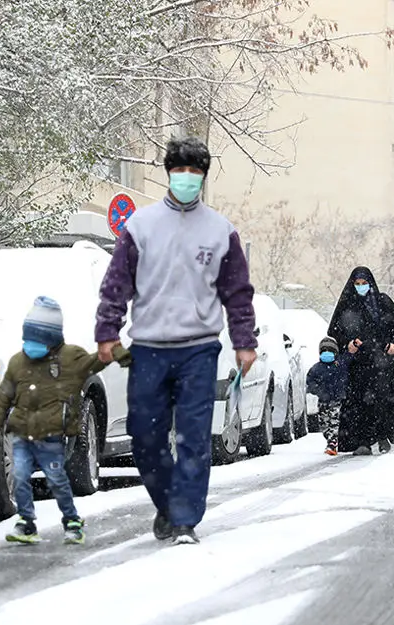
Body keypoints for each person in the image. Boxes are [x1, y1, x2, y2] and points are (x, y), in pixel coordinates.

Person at [95, 136, 257, 545]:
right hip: (149, 348)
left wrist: (244, 340)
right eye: (180, 170)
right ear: (169, 173)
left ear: (203, 177)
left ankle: (185, 519)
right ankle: (168, 503)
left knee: (194, 436)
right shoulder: (140, 227)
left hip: (198, 348)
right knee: (144, 436)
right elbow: (116, 284)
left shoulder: (221, 231)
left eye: (194, 171)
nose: (187, 177)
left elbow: (237, 292)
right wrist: (107, 331)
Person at [0, 296, 130, 545]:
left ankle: (72, 521)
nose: (33, 344)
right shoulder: (18, 362)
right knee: (20, 477)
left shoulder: (70, 358)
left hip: (51, 435)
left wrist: (117, 352)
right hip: (21, 433)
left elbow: (95, 362)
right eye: (29, 337)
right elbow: (3, 396)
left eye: (39, 337)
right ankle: (26, 523)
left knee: (57, 480)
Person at [326, 266, 394, 455]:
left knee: (383, 399)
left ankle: (383, 435)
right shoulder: (347, 305)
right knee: (359, 403)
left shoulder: (382, 303)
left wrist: (393, 345)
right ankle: (363, 441)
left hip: (381, 362)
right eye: (357, 284)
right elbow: (335, 332)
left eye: (364, 283)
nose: (361, 287)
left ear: (371, 283)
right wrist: (348, 344)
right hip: (358, 364)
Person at [305, 336, 352, 456]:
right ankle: (330, 439)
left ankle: (332, 442)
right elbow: (310, 382)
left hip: (337, 400)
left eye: (330, 351)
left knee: (334, 422)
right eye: (324, 351)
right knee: (324, 424)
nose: (327, 353)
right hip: (323, 401)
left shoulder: (339, 365)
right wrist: (318, 391)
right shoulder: (316, 368)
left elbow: (348, 359)